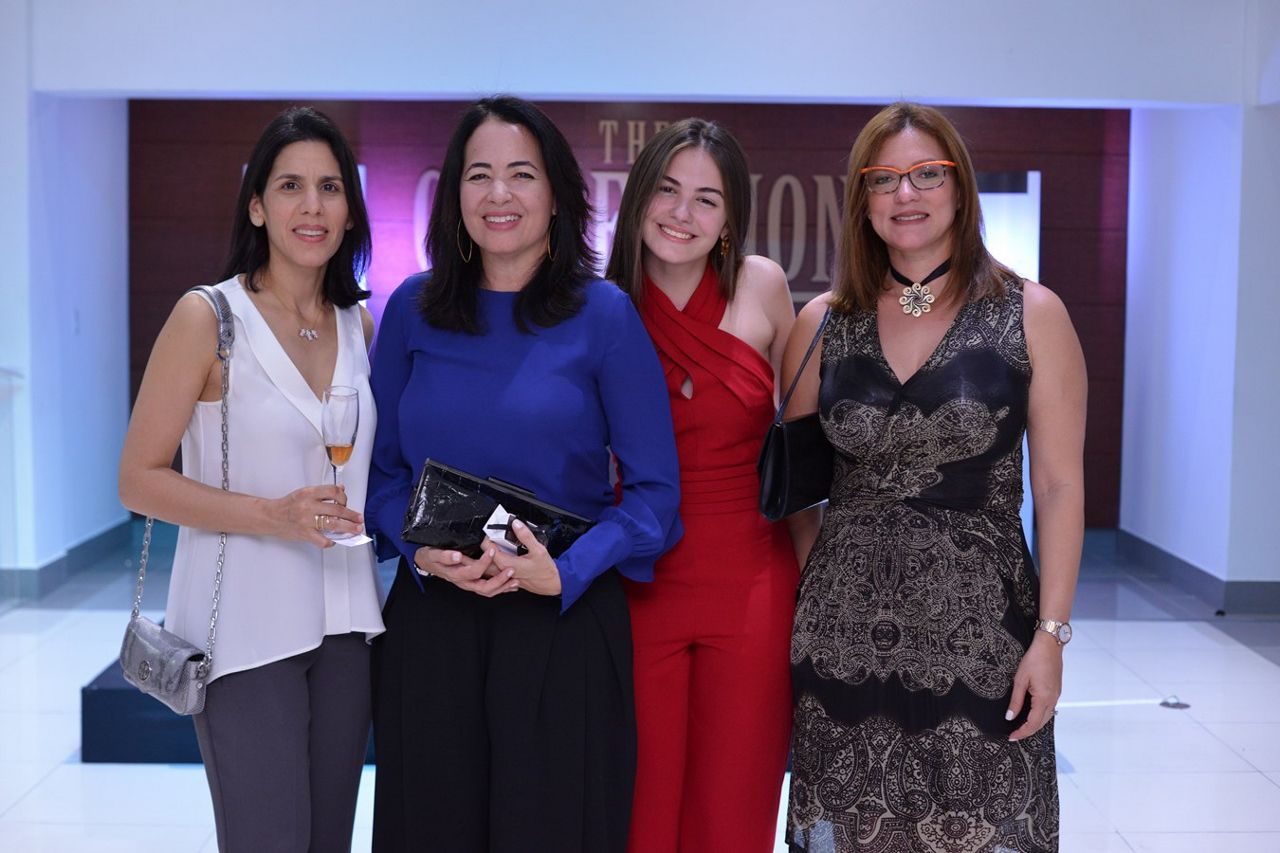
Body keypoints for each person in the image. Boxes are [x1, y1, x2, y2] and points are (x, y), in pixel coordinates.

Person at [365, 95, 681, 853]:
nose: (498, 194)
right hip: (434, 619)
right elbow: (380, 477)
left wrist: (564, 574)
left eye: (520, 174)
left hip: (558, 626)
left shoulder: (603, 313)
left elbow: (654, 499)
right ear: (455, 196)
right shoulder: (411, 309)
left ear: (556, 195)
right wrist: (416, 551)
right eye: (479, 175)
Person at [783, 102, 1085, 853]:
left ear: (960, 188)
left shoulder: (1030, 313)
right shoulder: (821, 321)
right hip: (842, 641)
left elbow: (1057, 488)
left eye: (926, 174)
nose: (905, 194)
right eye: (883, 179)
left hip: (983, 638)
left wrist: (1050, 635)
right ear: (861, 199)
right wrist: (816, 592)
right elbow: (795, 485)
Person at [118, 106, 385, 853]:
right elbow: (138, 479)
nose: (313, 206)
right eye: (291, 185)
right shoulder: (208, 317)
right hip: (243, 626)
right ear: (258, 205)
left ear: (348, 210)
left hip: (347, 623)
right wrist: (273, 514)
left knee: (329, 839)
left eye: (331, 187)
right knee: (267, 838)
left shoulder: (357, 326)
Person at [605, 118, 798, 853]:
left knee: (734, 803)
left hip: (752, 577)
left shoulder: (763, 286)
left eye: (707, 199)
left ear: (729, 218)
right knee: (641, 805)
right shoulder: (601, 303)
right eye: (667, 189)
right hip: (636, 581)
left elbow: (808, 447)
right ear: (638, 198)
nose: (682, 213)